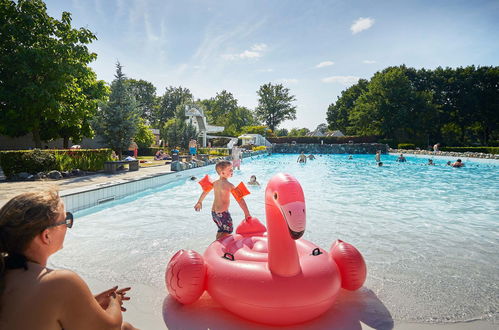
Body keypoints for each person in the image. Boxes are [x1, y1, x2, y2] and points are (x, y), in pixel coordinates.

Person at [0, 190, 136, 329]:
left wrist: (88, 303)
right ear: (46, 236)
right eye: (66, 220)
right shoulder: (60, 282)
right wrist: (115, 301)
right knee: (125, 328)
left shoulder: (6, 272)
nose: (67, 226)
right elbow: (111, 328)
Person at [194, 161, 251, 240]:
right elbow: (240, 200)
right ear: (222, 173)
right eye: (230, 170)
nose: (232, 171)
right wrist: (247, 213)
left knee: (221, 230)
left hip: (214, 213)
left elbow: (205, 192)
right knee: (228, 230)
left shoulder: (215, 183)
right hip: (223, 213)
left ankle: (216, 244)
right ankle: (221, 247)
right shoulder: (230, 186)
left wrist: (199, 202)